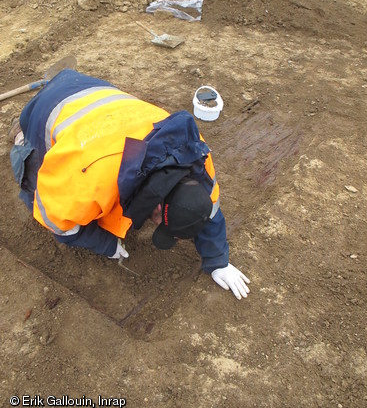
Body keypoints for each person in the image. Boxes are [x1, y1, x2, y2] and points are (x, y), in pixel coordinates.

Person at [9, 67, 250, 300]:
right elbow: (57, 221)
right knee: (34, 175)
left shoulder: (196, 153)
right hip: (45, 111)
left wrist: (218, 261)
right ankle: (20, 139)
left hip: (98, 95)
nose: (155, 226)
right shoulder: (89, 178)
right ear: (157, 207)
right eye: (159, 224)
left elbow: (209, 210)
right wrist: (104, 243)